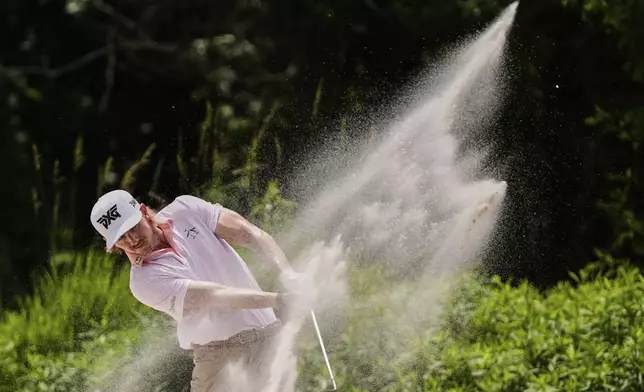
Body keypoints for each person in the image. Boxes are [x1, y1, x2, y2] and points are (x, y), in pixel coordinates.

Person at [90, 189, 305, 391]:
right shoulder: (143, 282)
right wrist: (279, 300)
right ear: (112, 245)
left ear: (144, 212)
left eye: (133, 227)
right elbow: (217, 296)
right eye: (121, 238)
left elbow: (248, 233)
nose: (132, 240)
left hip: (268, 336)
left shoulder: (186, 210)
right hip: (218, 358)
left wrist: (287, 273)